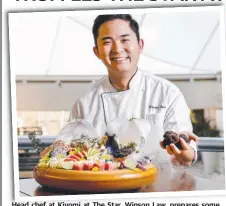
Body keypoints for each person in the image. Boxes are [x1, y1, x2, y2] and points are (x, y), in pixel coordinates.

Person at [69, 14, 198, 166]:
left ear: (140, 45)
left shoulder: (167, 93)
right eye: (107, 42)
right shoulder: (84, 103)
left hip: (160, 185)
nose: (117, 49)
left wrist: (185, 153)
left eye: (125, 40)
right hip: (103, 186)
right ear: (96, 51)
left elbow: (183, 145)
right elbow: (74, 155)